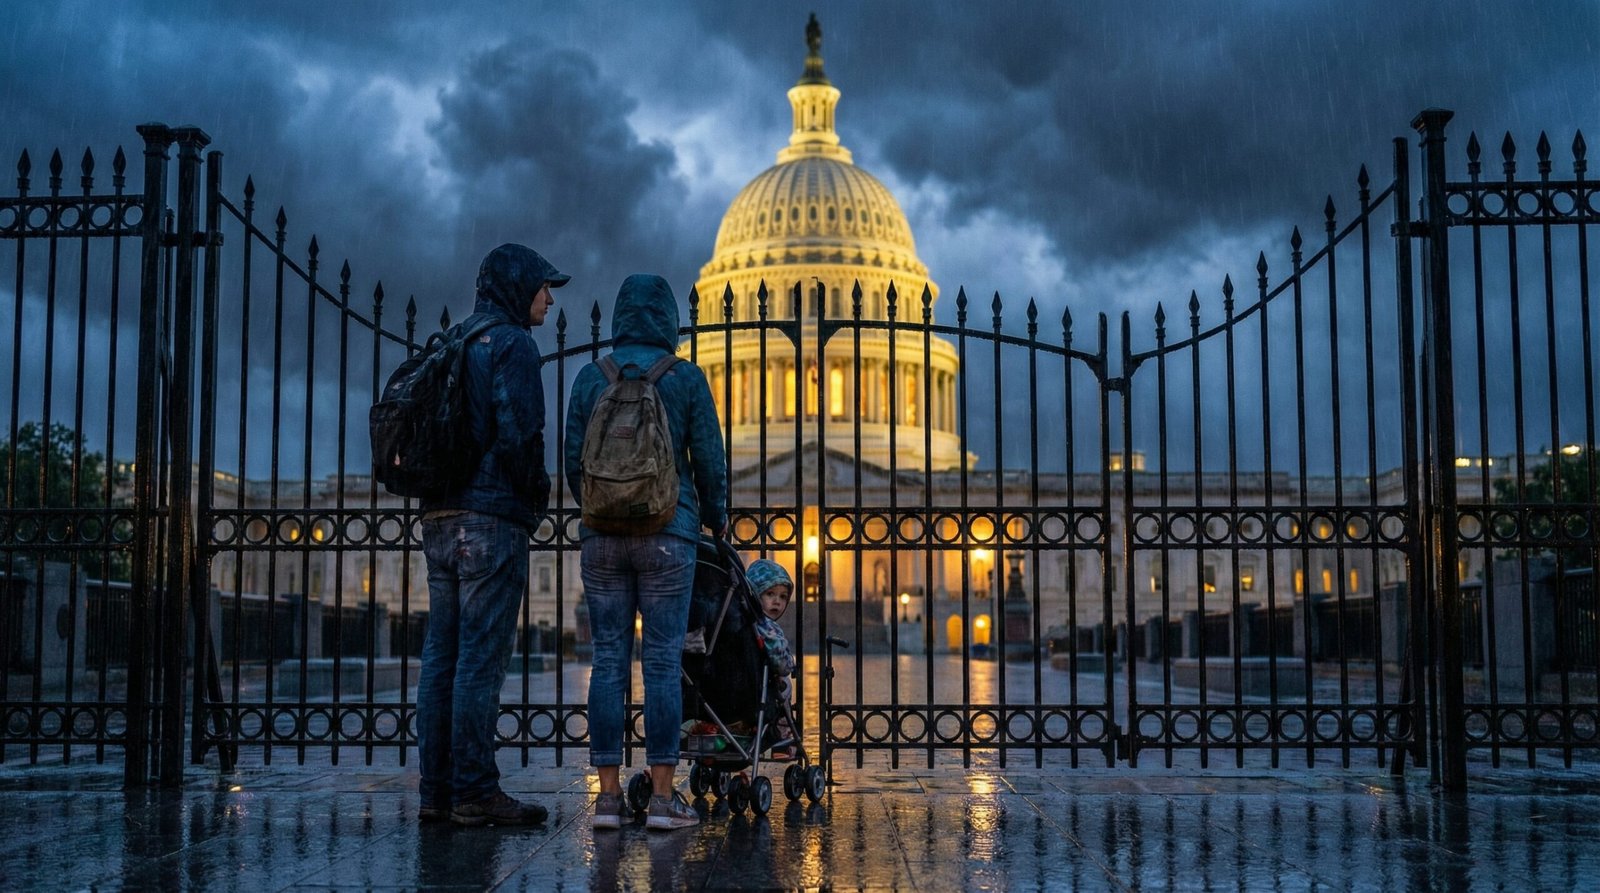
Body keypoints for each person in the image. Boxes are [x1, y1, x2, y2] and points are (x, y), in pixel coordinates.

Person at [566, 273, 728, 832]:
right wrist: (715, 516)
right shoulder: (684, 378)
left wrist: (602, 510)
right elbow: (709, 458)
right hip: (669, 533)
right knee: (661, 663)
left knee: (607, 661)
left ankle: (608, 798)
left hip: (602, 537)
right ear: (667, 318)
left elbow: (572, 460)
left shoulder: (592, 377)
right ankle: (663, 797)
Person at [415, 243, 564, 827]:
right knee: (479, 661)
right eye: (543, 287)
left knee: (440, 660)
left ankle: (437, 791)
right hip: (490, 518)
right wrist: (533, 498)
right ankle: (476, 791)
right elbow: (521, 434)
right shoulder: (513, 344)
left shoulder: (453, 339)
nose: (549, 298)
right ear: (517, 287)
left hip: (440, 517)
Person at [744, 559, 797, 759]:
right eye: (770, 594)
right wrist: (789, 665)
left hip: (727, 693)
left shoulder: (733, 621)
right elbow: (782, 664)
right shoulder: (767, 627)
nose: (777, 601)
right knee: (783, 687)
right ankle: (781, 741)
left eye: (783, 597)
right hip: (757, 690)